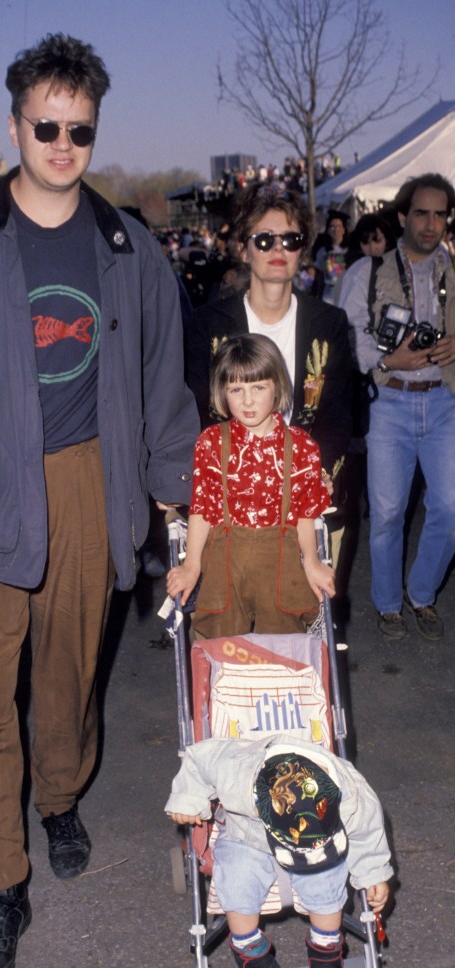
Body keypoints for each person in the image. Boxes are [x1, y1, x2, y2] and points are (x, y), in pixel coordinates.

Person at [0, 33, 198, 968]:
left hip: (84, 485)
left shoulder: (129, 247)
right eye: (46, 125)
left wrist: (171, 490)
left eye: (80, 128)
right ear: (16, 124)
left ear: (94, 131)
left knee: (66, 679)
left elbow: (159, 380)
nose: (63, 142)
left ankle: (59, 798)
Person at [165, 735, 393, 968]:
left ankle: (326, 948)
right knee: (237, 880)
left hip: (319, 836)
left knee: (326, 877)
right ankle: (247, 945)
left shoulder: (350, 792)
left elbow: (368, 832)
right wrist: (187, 799)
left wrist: (373, 873)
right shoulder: (235, 771)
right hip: (247, 835)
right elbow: (197, 759)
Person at [184, 183, 352, 534]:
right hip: (233, 501)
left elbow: (336, 414)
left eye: (290, 239)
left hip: (306, 500)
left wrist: (316, 471)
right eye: (264, 240)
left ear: (302, 250)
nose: (278, 248)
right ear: (244, 250)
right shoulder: (208, 323)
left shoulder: (330, 323)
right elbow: (199, 411)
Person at [340, 172, 455, 641]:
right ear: (404, 216)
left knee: (449, 508)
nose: (432, 224)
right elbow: (347, 334)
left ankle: (421, 593)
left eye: (441, 214)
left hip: (443, 402)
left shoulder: (453, 272)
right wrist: (390, 359)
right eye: (422, 213)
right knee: (387, 513)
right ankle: (389, 604)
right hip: (389, 402)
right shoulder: (366, 272)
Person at [167, 334, 335, 639]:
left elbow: (305, 513)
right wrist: (191, 565)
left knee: (284, 653)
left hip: (282, 571)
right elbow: (202, 509)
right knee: (219, 650)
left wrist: (311, 561)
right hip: (224, 570)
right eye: (236, 389)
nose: (247, 400)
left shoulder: (301, 446)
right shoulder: (211, 443)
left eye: (258, 387)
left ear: (278, 386)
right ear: (222, 392)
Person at [313, 209, 349, 303]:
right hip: (328, 297)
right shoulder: (322, 251)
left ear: (344, 230)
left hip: (346, 295)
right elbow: (319, 276)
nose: (335, 230)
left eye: (338, 226)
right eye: (332, 227)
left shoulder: (350, 251)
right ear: (328, 230)